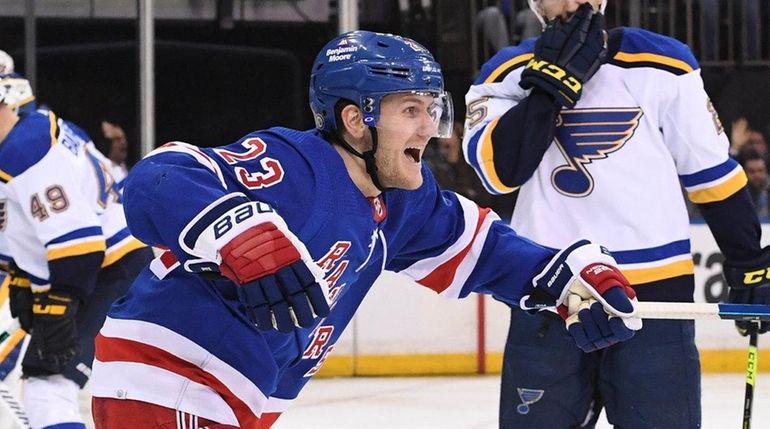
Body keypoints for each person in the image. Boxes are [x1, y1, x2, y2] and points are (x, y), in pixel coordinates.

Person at [89, 30, 642, 429]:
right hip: (167, 378)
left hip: (233, 397)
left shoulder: (403, 203)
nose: (430, 127)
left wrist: (575, 279)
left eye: (433, 108)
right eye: (411, 110)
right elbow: (156, 180)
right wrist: (240, 232)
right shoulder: (296, 166)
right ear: (356, 119)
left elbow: (489, 251)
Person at [462, 1, 770, 427]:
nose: (568, 2)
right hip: (549, 291)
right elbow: (500, 174)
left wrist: (749, 261)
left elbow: (711, 175)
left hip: (655, 296)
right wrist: (551, 86)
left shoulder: (663, 63)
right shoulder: (506, 73)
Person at [0, 73, 153, 429]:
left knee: (48, 389)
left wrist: (58, 306)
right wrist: (25, 279)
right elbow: (30, 231)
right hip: (110, 264)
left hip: (109, 269)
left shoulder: (25, 149)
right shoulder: (33, 133)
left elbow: (79, 246)